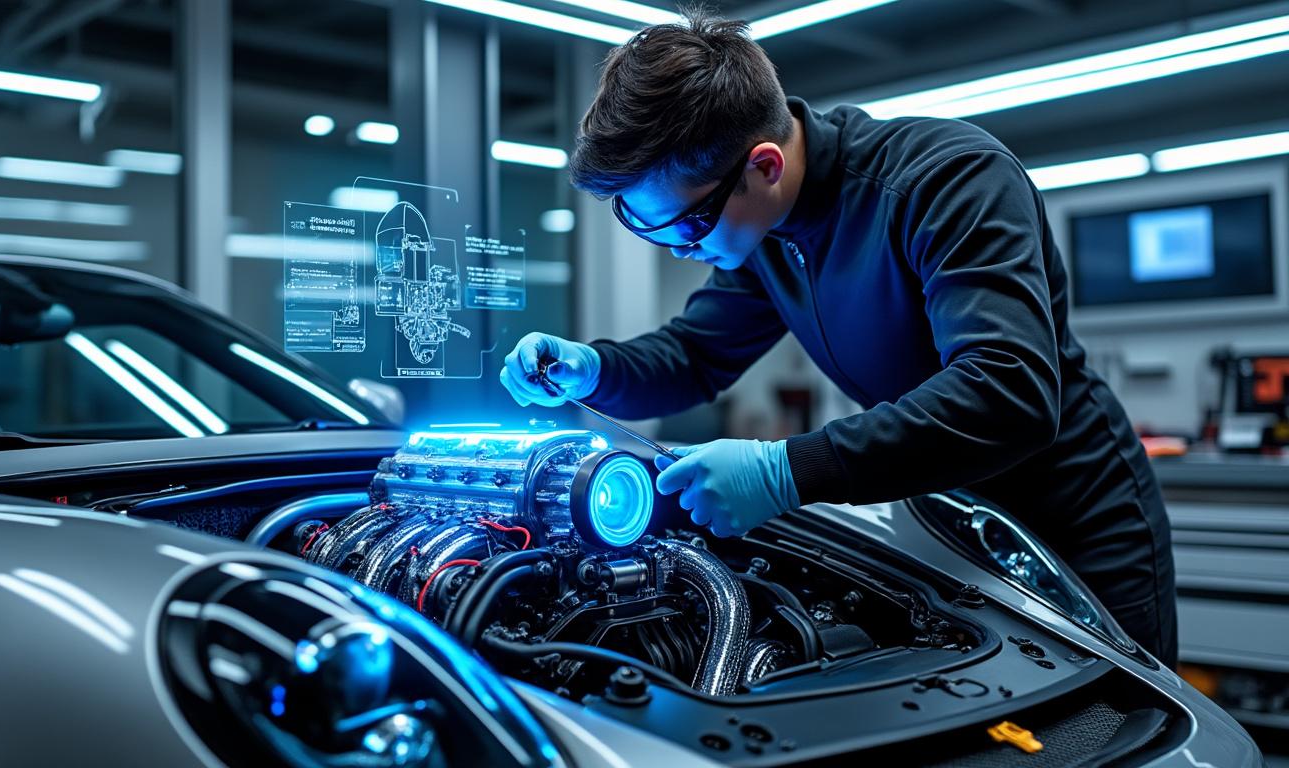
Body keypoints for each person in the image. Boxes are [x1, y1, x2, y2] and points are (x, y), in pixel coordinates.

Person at [498, 12, 1176, 667]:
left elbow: (1007, 391)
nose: (677, 251)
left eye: (684, 228)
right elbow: (695, 355)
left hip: (1078, 524)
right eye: (644, 227)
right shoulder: (768, 234)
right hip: (948, 517)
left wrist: (785, 469)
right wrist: (590, 368)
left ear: (763, 166)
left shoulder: (946, 180)